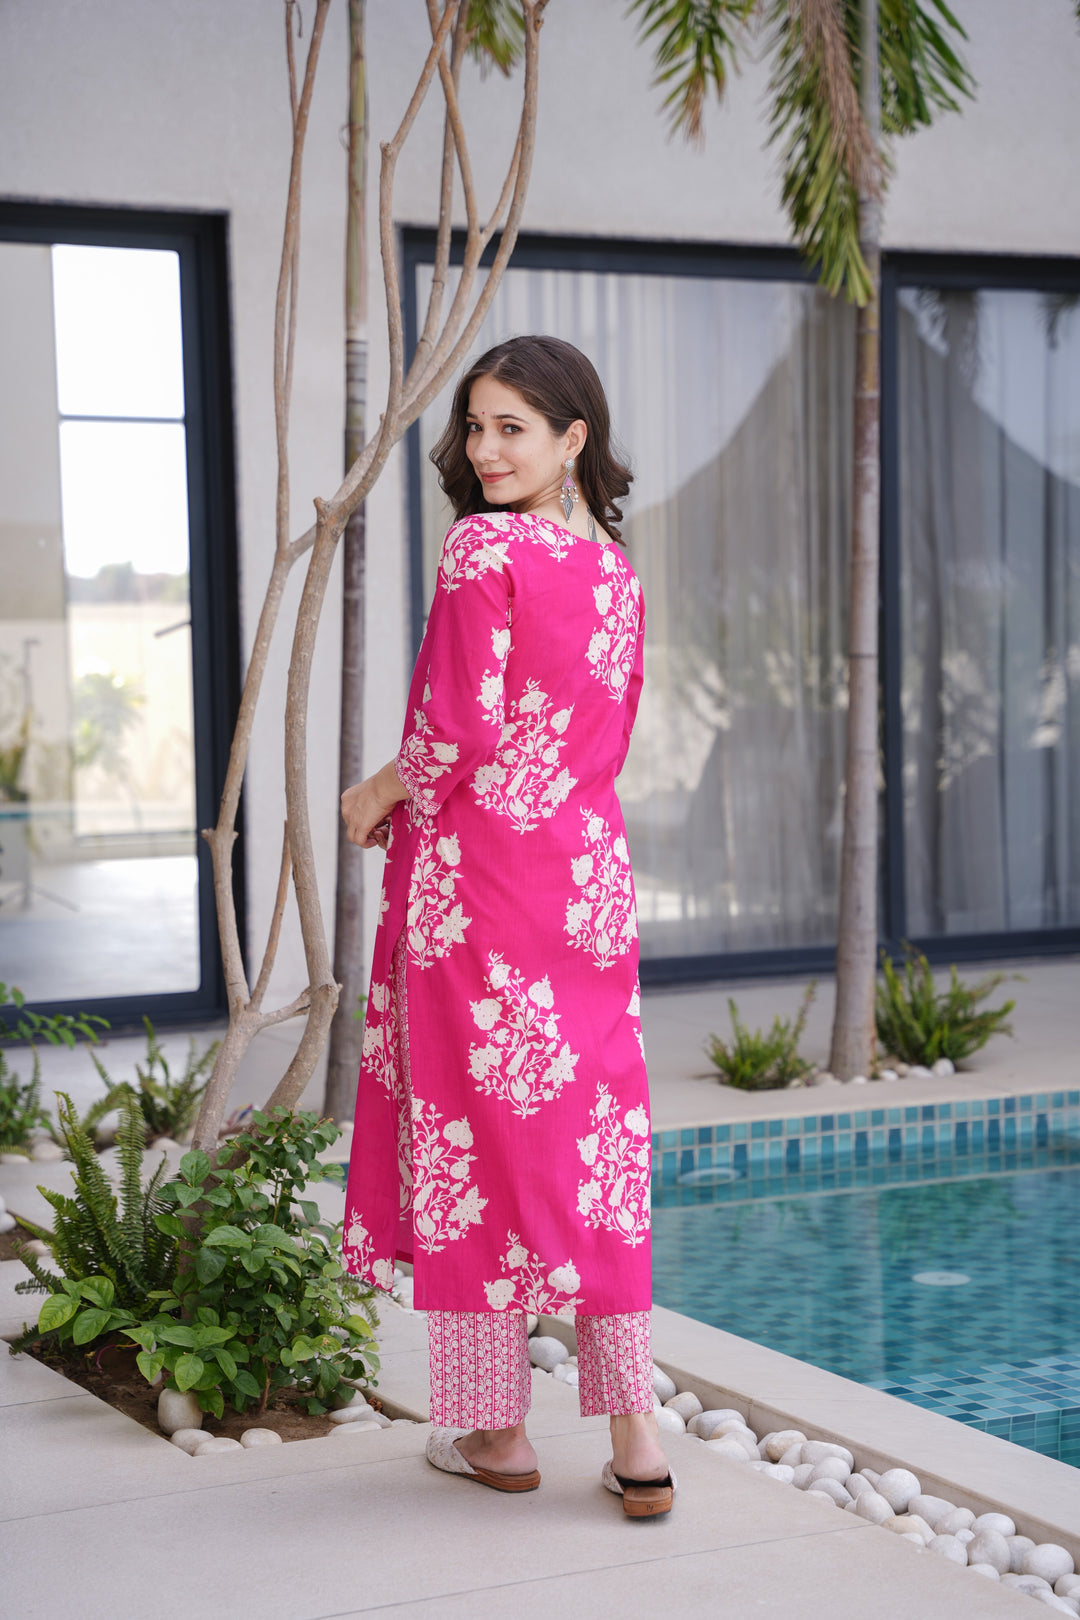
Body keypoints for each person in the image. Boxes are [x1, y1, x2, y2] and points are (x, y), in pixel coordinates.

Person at [339, 334, 673, 1518]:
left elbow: (454, 730)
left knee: (474, 1145)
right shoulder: (615, 572)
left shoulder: (483, 549)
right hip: (585, 887)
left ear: (572, 439)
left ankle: (496, 1431)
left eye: (511, 429)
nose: (485, 451)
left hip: (478, 888)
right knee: (597, 1146)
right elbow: (610, 734)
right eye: (475, 428)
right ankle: (637, 1438)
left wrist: (377, 793)